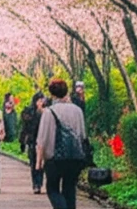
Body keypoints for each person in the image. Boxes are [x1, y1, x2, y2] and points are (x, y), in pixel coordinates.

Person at [36, 79, 89, 209]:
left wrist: (39, 161)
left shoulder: (49, 112)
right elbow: (83, 135)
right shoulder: (77, 111)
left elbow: (42, 138)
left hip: (55, 158)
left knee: (52, 189)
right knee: (69, 189)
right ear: (66, 92)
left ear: (52, 94)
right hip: (75, 156)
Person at [19, 92, 46, 194]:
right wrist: (22, 141)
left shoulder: (46, 111)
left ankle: (39, 183)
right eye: (39, 100)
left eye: (42, 100)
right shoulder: (29, 112)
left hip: (43, 140)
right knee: (33, 162)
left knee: (42, 163)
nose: (41, 102)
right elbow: (25, 127)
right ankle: (35, 184)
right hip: (33, 140)